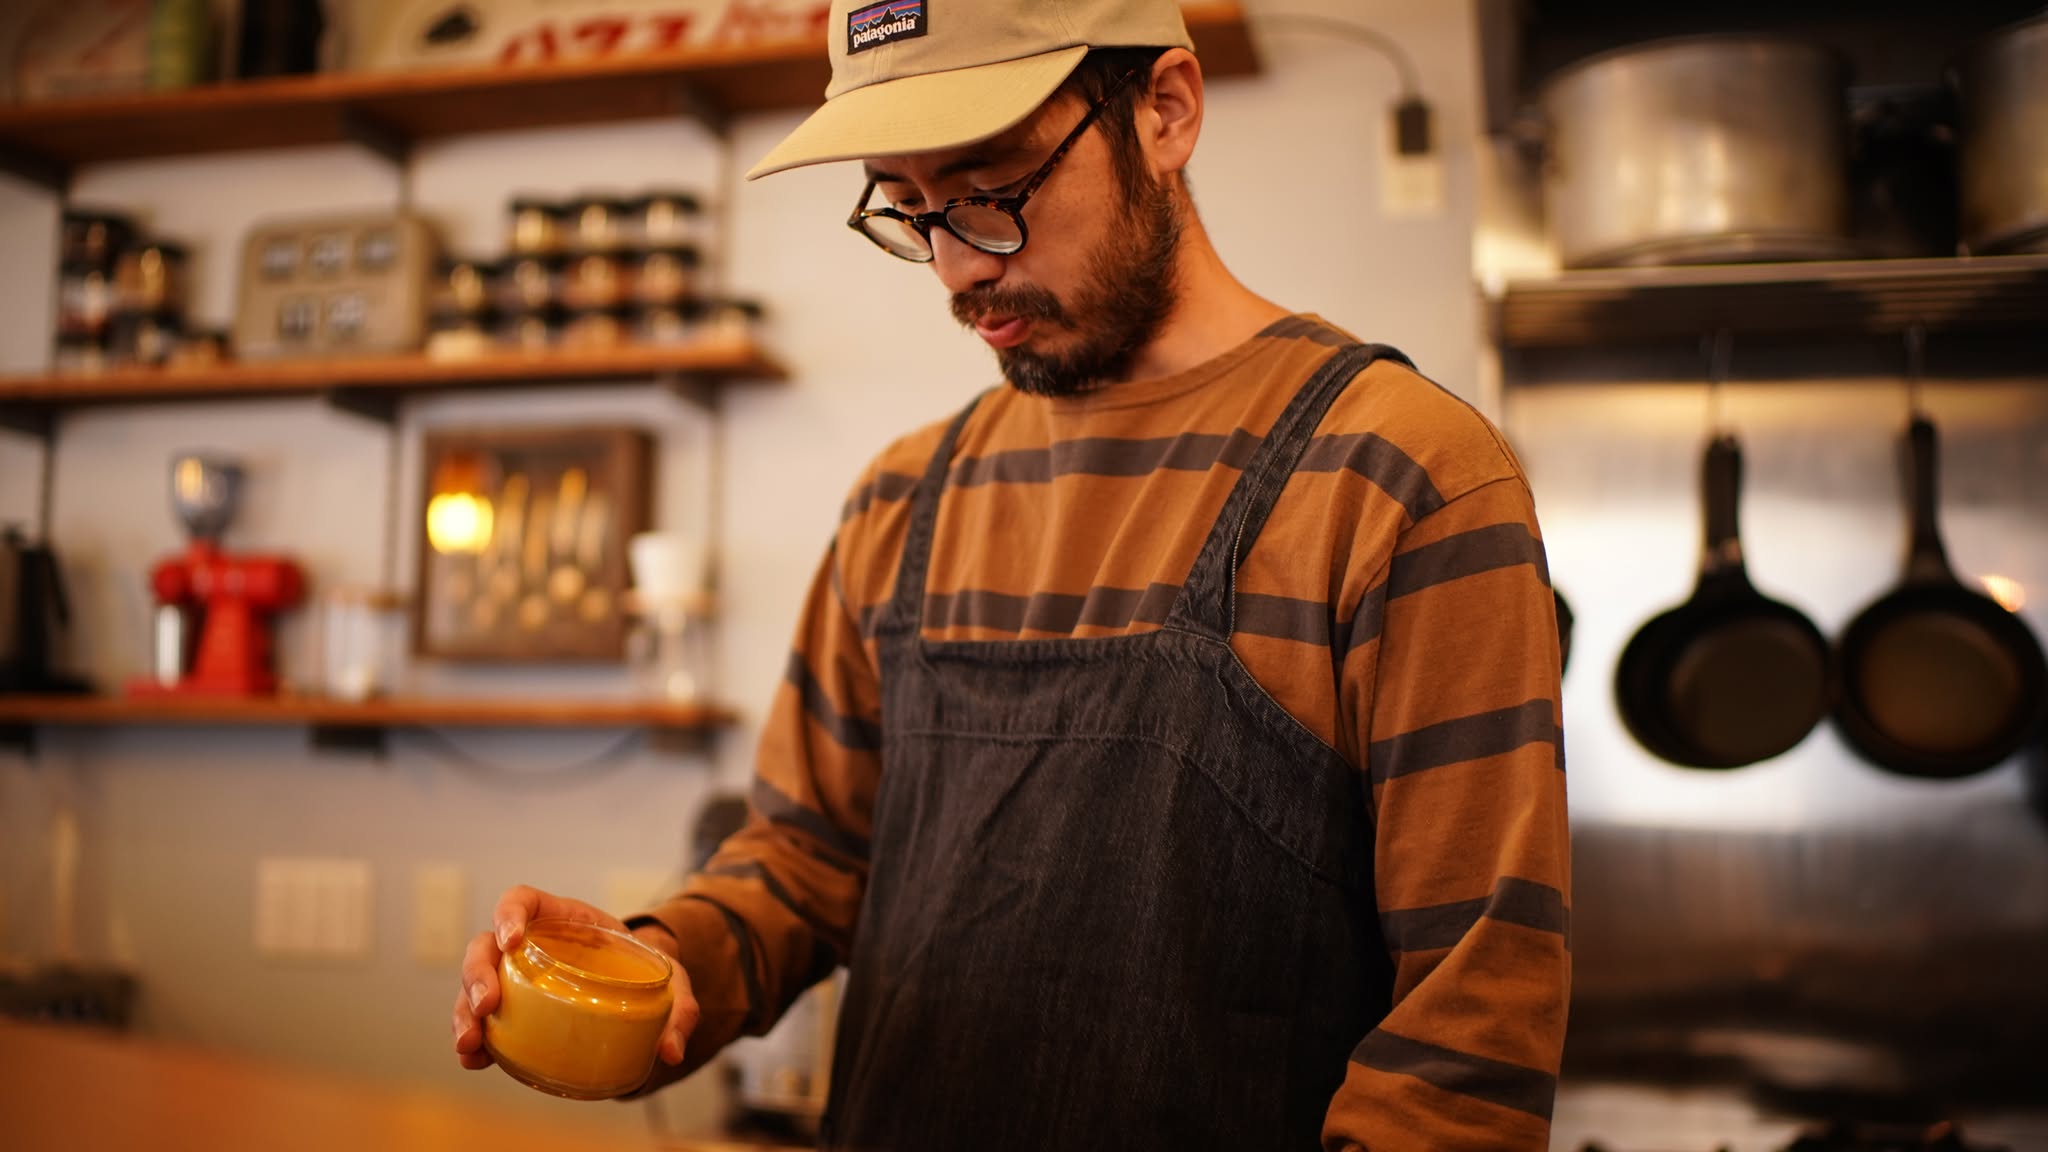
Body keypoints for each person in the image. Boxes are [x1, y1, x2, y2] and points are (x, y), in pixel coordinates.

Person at [452, 2, 1570, 1148]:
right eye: (906, 204)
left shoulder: (1396, 477)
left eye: (992, 190)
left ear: (1166, 110)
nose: (951, 265)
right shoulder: (902, 498)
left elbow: (1466, 1025)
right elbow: (804, 858)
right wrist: (660, 958)